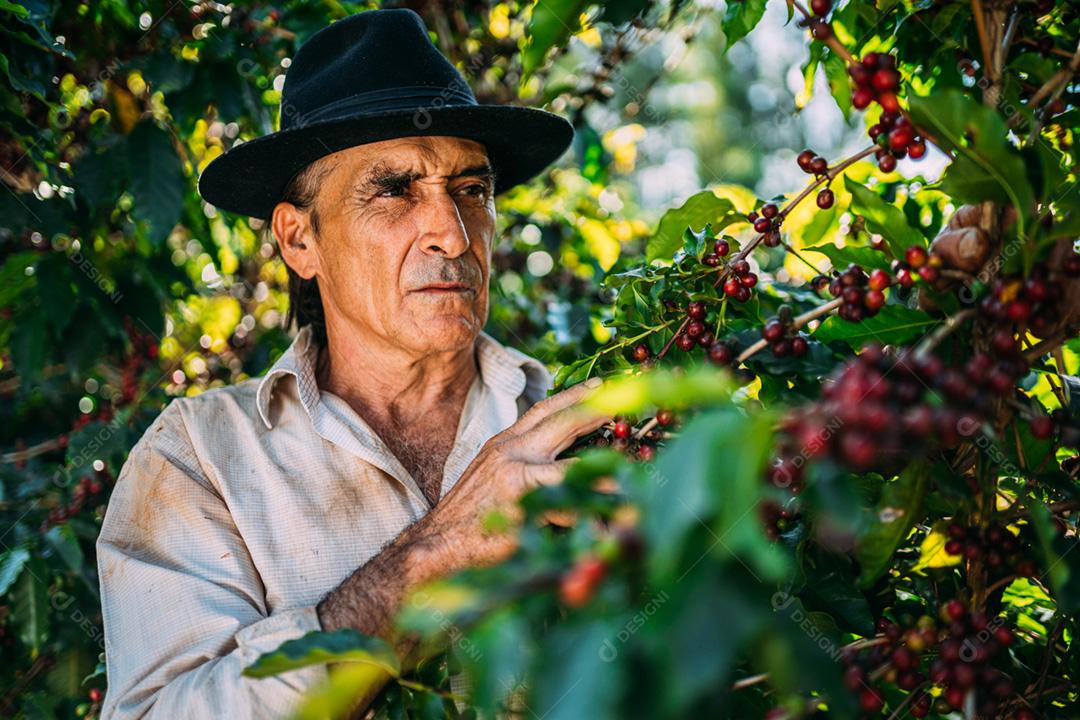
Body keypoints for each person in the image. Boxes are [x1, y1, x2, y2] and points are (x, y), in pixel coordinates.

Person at [96, 9, 608, 718]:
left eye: (471, 190)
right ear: (299, 239)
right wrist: (433, 552)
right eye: (394, 190)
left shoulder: (575, 427)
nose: (452, 235)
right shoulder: (199, 459)